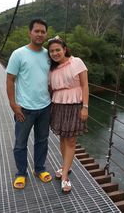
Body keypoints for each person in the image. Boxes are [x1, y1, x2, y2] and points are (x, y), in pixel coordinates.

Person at [6, 18, 52, 189]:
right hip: (24, 108)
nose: (39, 34)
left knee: (42, 140)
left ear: (46, 34)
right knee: (20, 143)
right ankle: (21, 173)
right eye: (36, 31)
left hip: (45, 107)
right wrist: (13, 104)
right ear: (30, 32)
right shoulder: (18, 54)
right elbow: (10, 79)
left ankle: (39, 169)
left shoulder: (49, 54)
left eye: (42, 31)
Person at [47, 36, 89, 194]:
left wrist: (85, 107)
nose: (55, 53)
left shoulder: (76, 62)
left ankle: (64, 175)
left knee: (71, 140)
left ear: (64, 49)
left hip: (75, 105)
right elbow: (50, 89)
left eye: (58, 49)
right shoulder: (52, 69)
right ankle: (66, 166)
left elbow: (85, 85)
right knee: (63, 138)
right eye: (52, 51)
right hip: (58, 105)